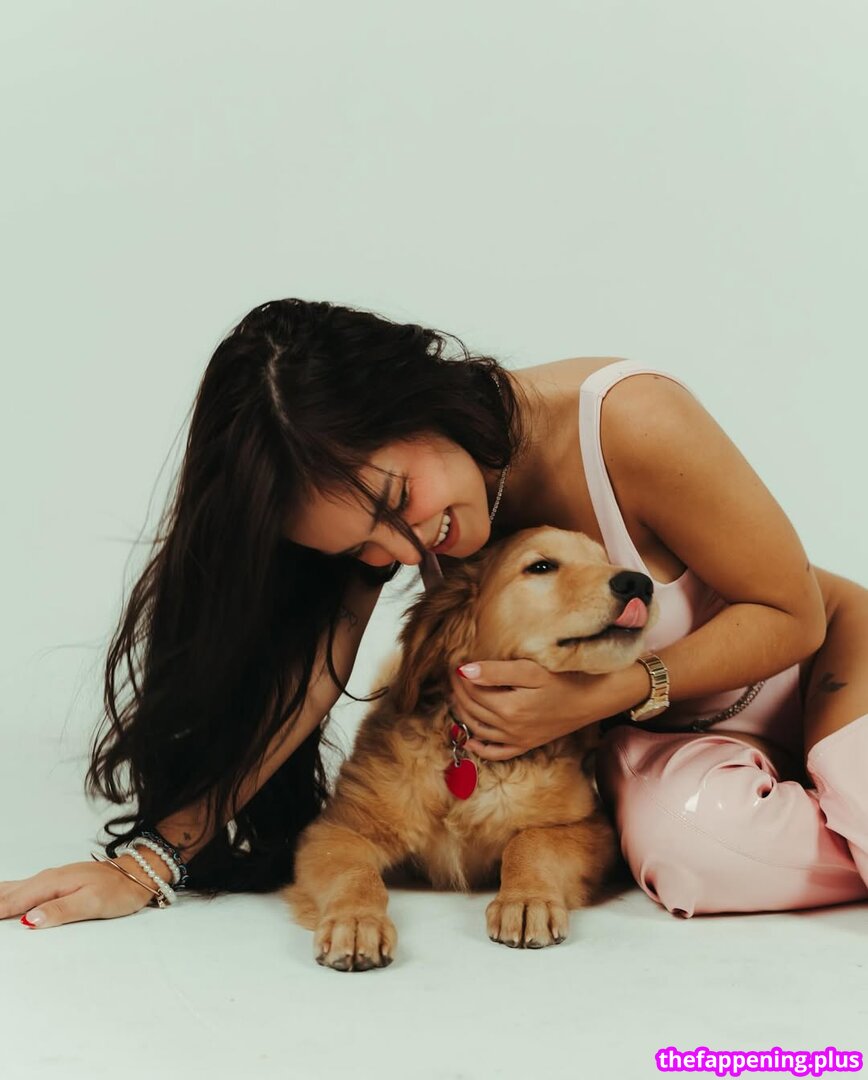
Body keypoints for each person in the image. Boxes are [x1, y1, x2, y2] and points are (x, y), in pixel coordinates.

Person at [2, 297, 866, 931]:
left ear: (414, 399)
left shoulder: (627, 421)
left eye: (396, 501)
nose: (409, 546)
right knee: (691, 850)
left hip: (821, 668)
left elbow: (794, 615)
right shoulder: (408, 535)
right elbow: (311, 684)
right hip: (678, 741)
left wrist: (604, 694)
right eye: (365, 547)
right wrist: (150, 863)